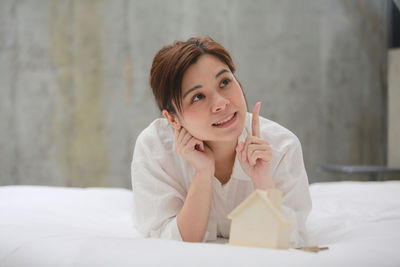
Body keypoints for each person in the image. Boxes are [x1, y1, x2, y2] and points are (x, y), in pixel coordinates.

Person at [131, 36, 312, 247]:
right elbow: (172, 246)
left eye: (224, 82)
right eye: (198, 96)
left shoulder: (282, 147)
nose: (221, 103)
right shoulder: (155, 149)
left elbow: (289, 242)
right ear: (172, 118)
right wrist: (203, 172)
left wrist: (263, 183)